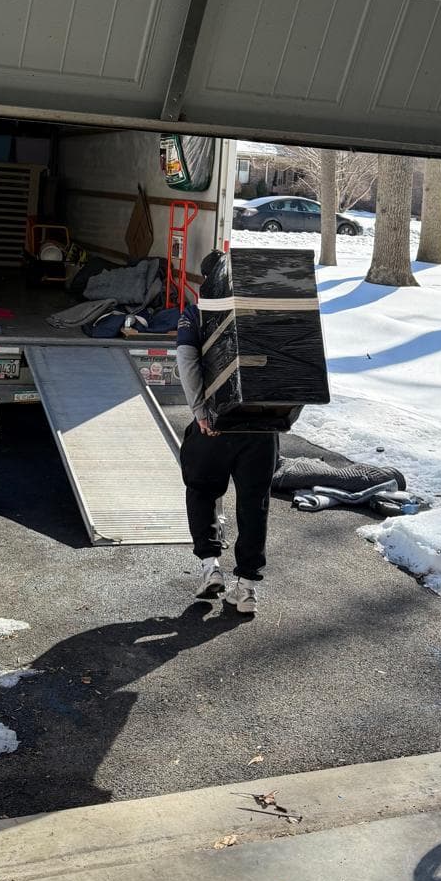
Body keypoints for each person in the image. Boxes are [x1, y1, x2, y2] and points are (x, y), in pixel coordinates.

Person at [176, 251, 278, 616]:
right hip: (262, 425)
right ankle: (247, 588)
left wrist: (200, 412)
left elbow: (187, 362)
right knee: (254, 502)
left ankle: (210, 567)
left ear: (207, 281)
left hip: (216, 424)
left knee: (201, 488)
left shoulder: (197, 313)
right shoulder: (268, 310)